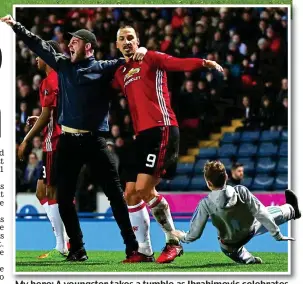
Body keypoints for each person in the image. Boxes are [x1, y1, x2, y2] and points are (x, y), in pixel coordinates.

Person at [2, 15, 146, 262]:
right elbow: (38, 45)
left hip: (95, 143)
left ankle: (132, 248)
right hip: (68, 142)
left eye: (75, 42)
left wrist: (141, 49)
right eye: (70, 42)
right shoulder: (62, 64)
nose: (69, 45)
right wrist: (17, 26)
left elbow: (132, 58)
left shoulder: (103, 68)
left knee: (115, 195)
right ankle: (77, 248)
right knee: (63, 198)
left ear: (88, 46)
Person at [113, 25, 223, 263]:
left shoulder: (150, 58)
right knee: (130, 193)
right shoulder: (120, 71)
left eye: (131, 37)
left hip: (162, 129)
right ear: (117, 45)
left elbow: (178, 63)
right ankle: (144, 250)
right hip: (140, 136)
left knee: (143, 188)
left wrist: (204, 62)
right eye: (122, 39)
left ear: (138, 40)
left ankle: (174, 242)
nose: (127, 42)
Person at [171, 160, 300, 264]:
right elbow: (261, 213)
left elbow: (194, 235)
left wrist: (182, 236)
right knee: (268, 212)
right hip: (250, 229)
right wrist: (277, 234)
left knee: (238, 254)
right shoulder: (241, 191)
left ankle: (249, 259)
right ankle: (292, 210)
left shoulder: (205, 204)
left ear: (208, 183)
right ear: (227, 176)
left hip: (229, 245)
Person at [18, 40, 68, 259]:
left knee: (52, 192)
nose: (35, 58)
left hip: (55, 142)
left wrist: (26, 140)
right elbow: (53, 113)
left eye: (38, 54)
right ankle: (63, 239)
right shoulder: (58, 79)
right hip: (54, 139)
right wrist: (40, 118)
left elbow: (49, 114)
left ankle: (62, 244)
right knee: (41, 191)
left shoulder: (52, 80)